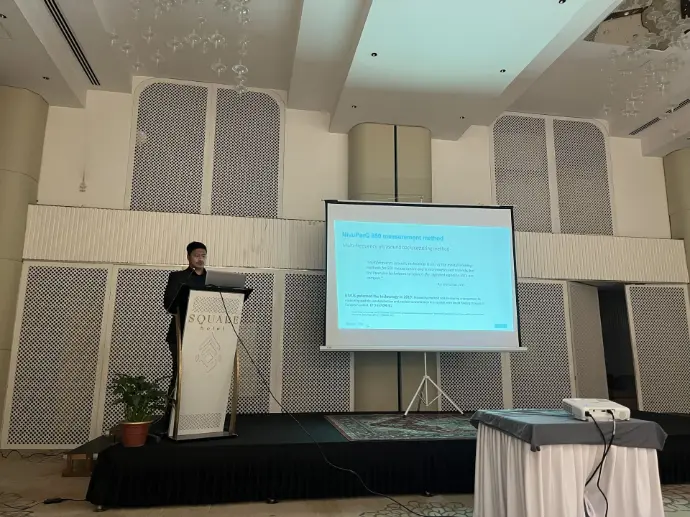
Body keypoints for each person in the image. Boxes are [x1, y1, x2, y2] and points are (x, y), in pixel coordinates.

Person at [161, 241, 208, 428]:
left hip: (206, 335)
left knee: (203, 375)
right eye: (196, 255)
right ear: (188, 257)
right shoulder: (178, 277)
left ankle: (200, 414)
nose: (200, 259)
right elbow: (168, 303)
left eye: (203, 255)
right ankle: (171, 418)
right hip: (180, 333)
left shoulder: (212, 279)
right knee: (180, 374)